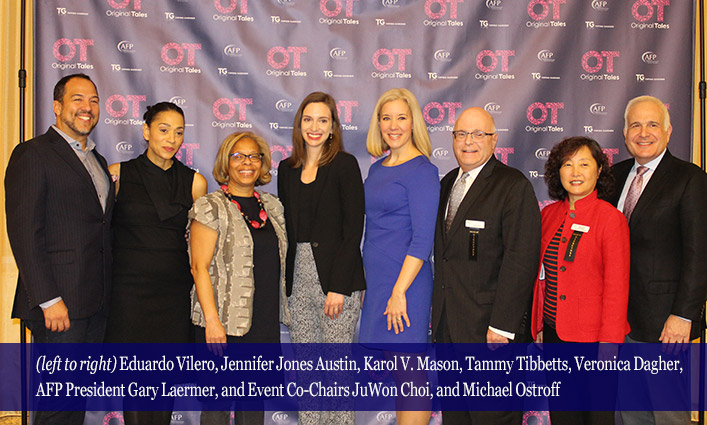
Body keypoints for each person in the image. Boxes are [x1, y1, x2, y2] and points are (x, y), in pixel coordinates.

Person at [5, 73, 114, 425]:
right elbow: (24, 232)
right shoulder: (34, 154)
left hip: (92, 303)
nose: (87, 107)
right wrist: (48, 299)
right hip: (59, 305)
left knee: (75, 403)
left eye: (94, 100)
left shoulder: (97, 161)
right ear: (57, 107)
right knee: (56, 406)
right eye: (78, 99)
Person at [431, 107, 540, 425]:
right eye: (461, 134)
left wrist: (502, 327)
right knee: (457, 418)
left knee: (493, 417)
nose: (468, 142)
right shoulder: (448, 182)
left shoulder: (513, 186)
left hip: (491, 334)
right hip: (449, 329)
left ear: (494, 141)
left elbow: (521, 261)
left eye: (478, 134)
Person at [103, 102, 207, 424]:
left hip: (173, 297)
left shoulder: (195, 182)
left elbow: (200, 246)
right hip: (129, 296)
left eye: (179, 132)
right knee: (134, 386)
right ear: (146, 131)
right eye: (163, 130)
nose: (171, 139)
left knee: (165, 386)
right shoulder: (118, 174)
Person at [609, 95, 707, 425]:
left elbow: (700, 254)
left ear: (668, 131)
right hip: (620, 323)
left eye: (653, 124)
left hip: (667, 328)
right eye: (635, 124)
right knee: (631, 416)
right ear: (624, 134)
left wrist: (683, 315)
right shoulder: (614, 176)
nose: (643, 132)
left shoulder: (689, 179)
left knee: (668, 417)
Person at [189, 131, 290, 425]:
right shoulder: (210, 206)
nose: (246, 163)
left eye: (253, 156)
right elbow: (198, 267)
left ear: (262, 164)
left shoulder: (271, 207)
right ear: (226, 162)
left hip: (261, 323)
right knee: (217, 406)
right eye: (238, 156)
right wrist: (212, 322)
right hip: (222, 325)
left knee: (252, 403)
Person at [277, 92, 365, 425]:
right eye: (308, 119)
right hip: (297, 278)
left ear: (333, 128)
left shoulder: (345, 165)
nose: (315, 127)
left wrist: (339, 287)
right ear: (299, 125)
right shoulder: (286, 169)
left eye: (323, 120)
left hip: (336, 280)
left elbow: (352, 228)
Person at [531, 136, 630, 425]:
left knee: (596, 419)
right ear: (556, 172)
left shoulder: (610, 219)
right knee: (563, 417)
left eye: (584, 164)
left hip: (594, 341)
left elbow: (617, 286)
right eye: (567, 164)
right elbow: (541, 277)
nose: (575, 172)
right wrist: (539, 323)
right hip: (554, 335)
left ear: (598, 171)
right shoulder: (548, 215)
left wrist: (609, 344)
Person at [359, 88, 439, 425]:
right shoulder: (377, 169)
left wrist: (398, 291)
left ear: (413, 123)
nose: (393, 125)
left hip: (405, 286)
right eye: (386, 118)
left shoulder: (423, 170)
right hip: (378, 285)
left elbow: (422, 240)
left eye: (401, 118)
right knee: (398, 371)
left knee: (411, 376)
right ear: (378, 123)